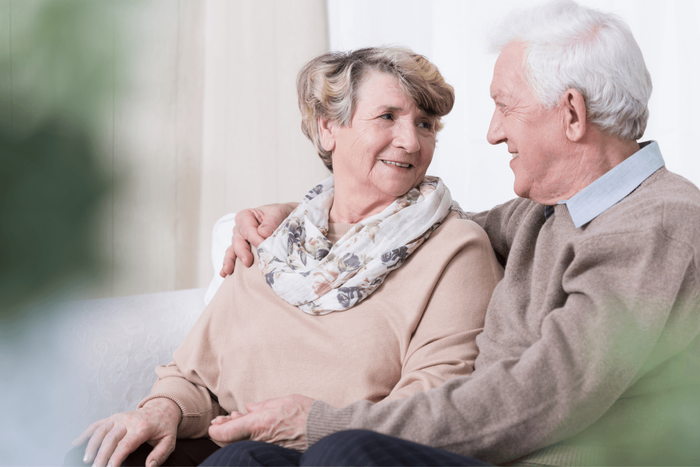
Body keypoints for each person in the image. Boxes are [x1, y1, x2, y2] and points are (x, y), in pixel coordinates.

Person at [208, 1, 700, 465]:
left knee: (344, 455)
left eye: (506, 107)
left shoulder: (659, 226)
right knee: (244, 458)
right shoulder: (547, 213)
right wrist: (307, 216)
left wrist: (327, 424)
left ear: (571, 113)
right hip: (483, 454)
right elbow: (417, 225)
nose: (493, 132)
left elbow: (541, 396)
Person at [66, 47, 503, 467]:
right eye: (388, 117)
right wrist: (162, 409)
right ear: (328, 127)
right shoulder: (279, 239)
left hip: (343, 453)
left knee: (243, 459)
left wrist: (311, 427)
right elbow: (195, 374)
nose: (410, 141)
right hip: (231, 444)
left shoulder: (455, 249)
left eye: (425, 124)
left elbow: (435, 401)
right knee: (99, 456)